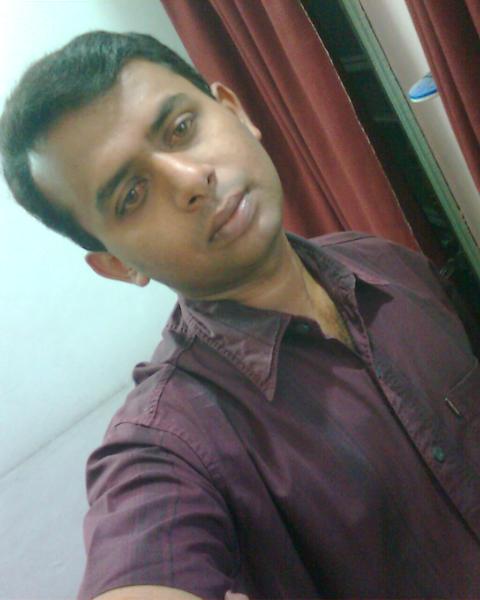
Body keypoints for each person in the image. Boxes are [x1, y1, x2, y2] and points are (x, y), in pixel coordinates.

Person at [1, 31, 479, 600]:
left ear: (235, 111)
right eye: (131, 195)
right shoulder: (170, 443)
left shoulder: (386, 264)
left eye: (182, 128)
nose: (190, 181)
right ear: (117, 264)